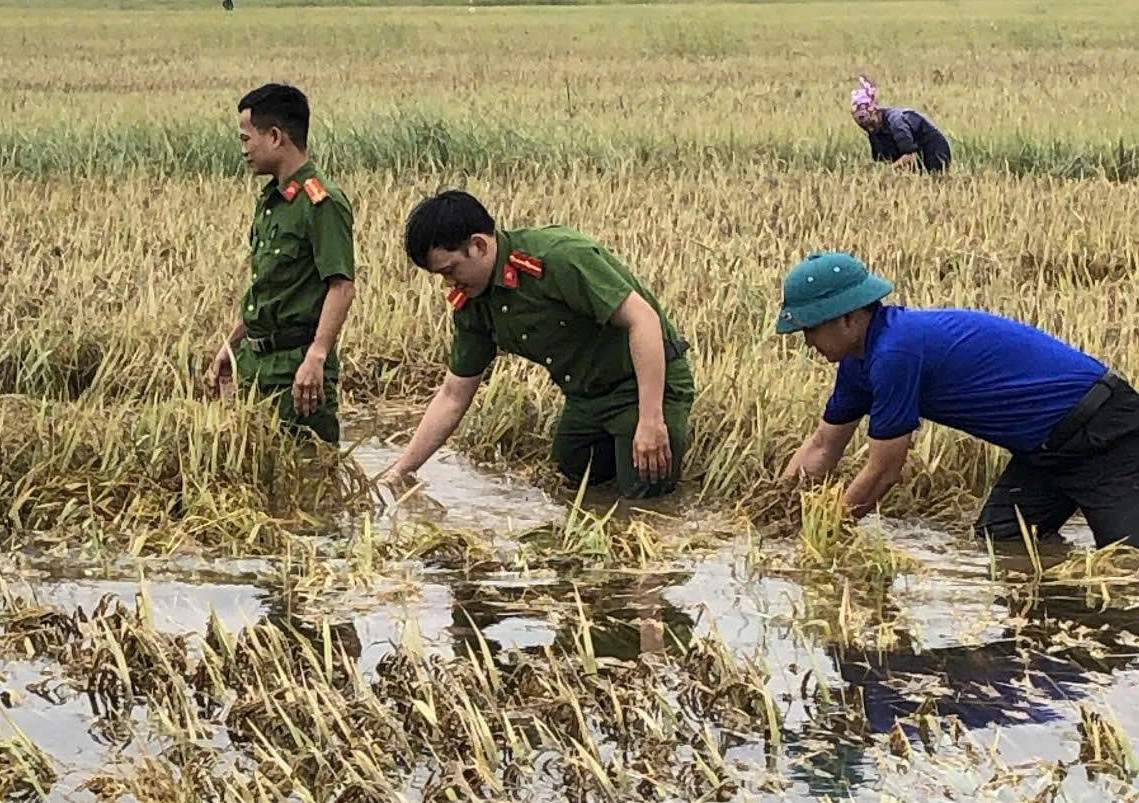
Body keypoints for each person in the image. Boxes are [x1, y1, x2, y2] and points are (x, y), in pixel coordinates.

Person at [777, 251, 1139, 549]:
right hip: (1045, 451)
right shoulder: (858, 364)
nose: (807, 342)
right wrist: (780, 512)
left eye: (811, 328)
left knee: (1126, 565)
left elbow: (884, 471)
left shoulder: (895, 352)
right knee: (1003, 539)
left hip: (1104, 433)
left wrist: (822, 535)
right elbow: (823, 446)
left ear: (848, 319)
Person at [381, 190, 695, 499]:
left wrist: (651, 419)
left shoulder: (558, 258)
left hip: (644, 383)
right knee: (570, 477)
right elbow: (453, 394)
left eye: (450, 271)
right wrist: (400, 472)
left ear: (478, 245)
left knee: (643, 493)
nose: (449, 284)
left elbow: (644, 320)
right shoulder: (474, 302)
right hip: (587, 397)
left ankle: (664, 436)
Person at [207, 84, 356, 444]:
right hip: (257, 367)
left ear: (275, 136)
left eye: (247, 139)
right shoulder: (273, 200)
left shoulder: (322, 203)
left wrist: (316, 358)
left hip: (297, 370)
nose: (243, 150)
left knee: (310, 477)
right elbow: (270, 288)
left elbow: (342, 286)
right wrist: (232, 346)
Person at [850, 75, 952, 172]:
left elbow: (911, 156)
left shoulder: (896, 121)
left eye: (869, 124)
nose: (869, 128)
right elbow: (882, 160)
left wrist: (887, 172)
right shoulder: (873, 129)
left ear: (874, 110)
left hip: (934, 151)